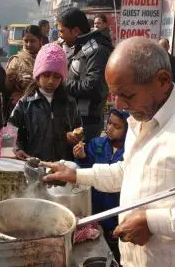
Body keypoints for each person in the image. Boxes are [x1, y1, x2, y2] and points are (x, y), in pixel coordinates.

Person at [42, 37, 175, 267]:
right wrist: (75, 174)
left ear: (162, 81)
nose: (120, 106)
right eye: (114, 95)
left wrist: (154, 223)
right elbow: (127, 172)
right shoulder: (139, 118)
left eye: (127, 96)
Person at [73, 108, 129, 263]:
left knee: (116, 250)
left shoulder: (131, 152)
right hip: (95, 207)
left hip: (117, 211)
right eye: (109, 123)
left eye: (116, 126)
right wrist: (82, 157)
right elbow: (88, 171)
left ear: (128, 130)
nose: (110, 128)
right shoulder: (97, 143)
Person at [9, 43, 81, 161]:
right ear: (38, 75)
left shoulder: (70, 104)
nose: (51, 81)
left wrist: (75, 139)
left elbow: (79, 131)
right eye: (46, 75)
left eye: (57, 76)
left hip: (61, 167)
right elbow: (10, 133)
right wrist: (17, 149)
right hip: (33, 165)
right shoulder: (26, 103)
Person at [57, 8, 114, 143]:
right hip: (76, 118)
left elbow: (93, 87)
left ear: (76, 31)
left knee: (83, 162)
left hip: (88, 122)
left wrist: (61, 83)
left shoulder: (97, 51)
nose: (60, 36)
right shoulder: (82, 46)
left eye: (62, 31)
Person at [4, 25, 43, 120]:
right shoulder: (16, 60)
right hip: (20, 109)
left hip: (42, 108)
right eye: (26, 41)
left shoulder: (46, 58)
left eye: (32, 41)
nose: (29, 44)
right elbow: (6, 90)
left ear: (40, 41)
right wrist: (14, 82)